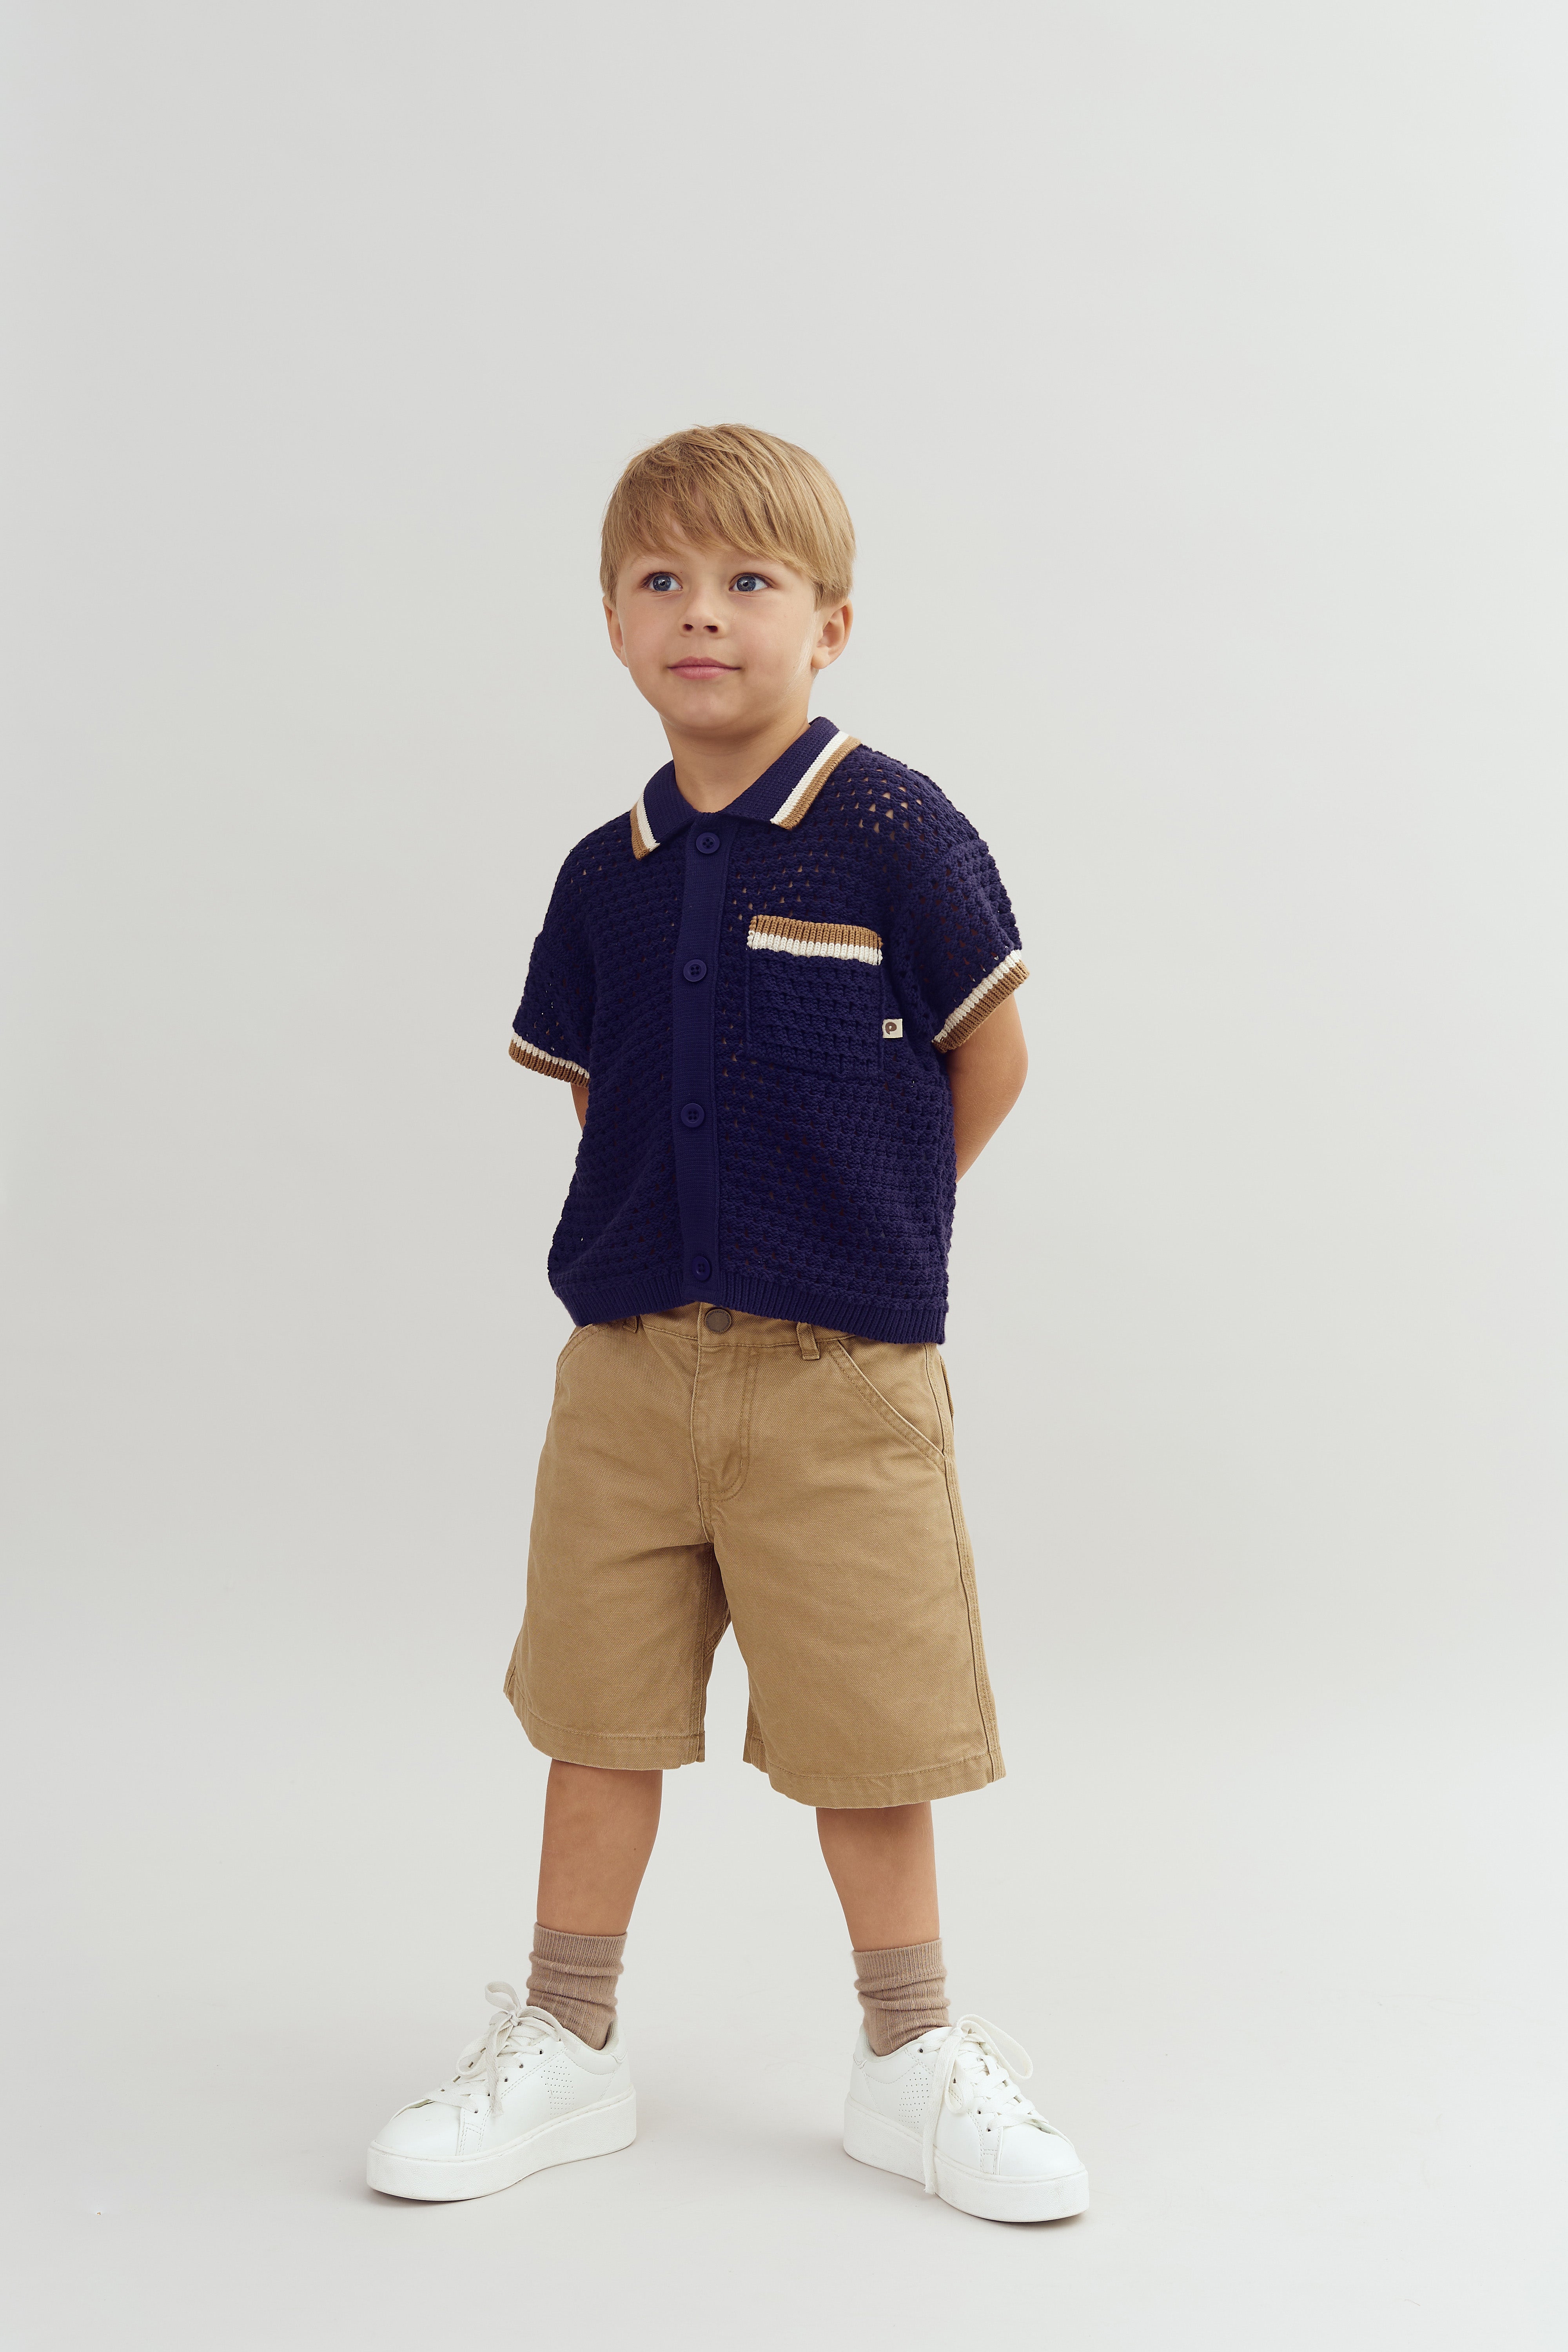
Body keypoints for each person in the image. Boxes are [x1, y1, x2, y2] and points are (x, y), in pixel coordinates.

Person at [367, 425, 1088, 2225]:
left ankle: (910, 2055)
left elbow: (985, 1054)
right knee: (596, 1719)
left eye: (750, 583)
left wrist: (875, 1216)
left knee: (871, 1730)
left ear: (829, 626)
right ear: (615, 625)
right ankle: (566, 2039)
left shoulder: (895, 830)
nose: (705, 616)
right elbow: (603, 1090)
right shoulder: (599, 873)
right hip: (624, 1372)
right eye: (662, 583)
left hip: (841, 1381)